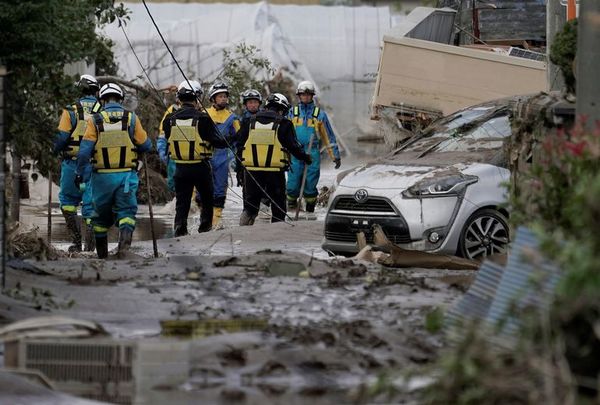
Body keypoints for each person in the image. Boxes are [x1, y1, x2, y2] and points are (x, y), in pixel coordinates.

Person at [76, 83, 152, 259]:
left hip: (100, 179)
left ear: (102, 100)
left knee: (100, 220)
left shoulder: (94, 120)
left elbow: (84, 151)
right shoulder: (132, 118)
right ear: (120, 99)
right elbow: (146, 145)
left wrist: (80, 173)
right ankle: (123, 253)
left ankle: (102, 258)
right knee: (126, 213)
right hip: (126, 176)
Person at [162, 80, 227, 236]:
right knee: (206, 200)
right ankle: (205, 229)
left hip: (180, 167)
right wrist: (227, 140)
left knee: (182, 202)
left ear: (179, 98)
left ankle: (180, 229)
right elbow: (216, 141)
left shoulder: (169, 119)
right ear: (197, 97)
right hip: (201, 167)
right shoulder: (203, 118)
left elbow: (168, 136)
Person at [236, 93, 312, 225]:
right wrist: (306, 158)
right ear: (282, 109)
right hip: (275, 173)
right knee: (278, 208)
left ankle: (243, 235)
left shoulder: (249, 121)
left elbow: (239, 146)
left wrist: (239, 171)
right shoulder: (284, 123)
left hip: (252, 172)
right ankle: (276, 239)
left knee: (250, 208)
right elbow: (293, 147)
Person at [54, 74, 101, 252]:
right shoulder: (102, 110)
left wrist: (53, 150)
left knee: (67, 201)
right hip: (95, 166)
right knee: (91, 205)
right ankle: (90, 247)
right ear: (96, 91)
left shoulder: (70, 110)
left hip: (71, 164)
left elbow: (61, 138)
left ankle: (76, 243)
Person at [286, 80, 341, 214]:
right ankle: (291, 208)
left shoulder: (319, 114)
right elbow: (284, 134)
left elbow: (328, 137)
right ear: (299, 96)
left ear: (312, 96)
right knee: (292, 185)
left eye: (308, 94)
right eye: (303, 95)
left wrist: (335, 156)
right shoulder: (292, 112)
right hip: (295, 152)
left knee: (310, 185)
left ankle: (310, 212)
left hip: (312, 154)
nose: (305, 97)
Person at [203, 81, 240, 228]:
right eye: (220, 96)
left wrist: (237, 158)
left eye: (225, 96)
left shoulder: (232, 118)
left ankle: (216, 220)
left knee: (220, 189)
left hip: (223, 158)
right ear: (213, 99)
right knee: (202, 190)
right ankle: (203, 217)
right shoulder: (204, 114)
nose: (223, 99)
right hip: (205, 156)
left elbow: (239, 138)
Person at [157, 97, 180, 194]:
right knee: (173, 183)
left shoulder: (201, 112)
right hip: (174, 155)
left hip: (195, 158)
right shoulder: (172, 110)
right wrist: (162, 149)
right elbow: (163, 133)